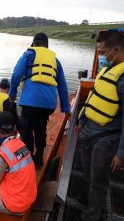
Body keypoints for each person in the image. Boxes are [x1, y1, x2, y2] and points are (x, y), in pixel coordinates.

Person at [77, 30, 124, 221]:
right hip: (88, 132)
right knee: (87, 173)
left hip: (106, 138)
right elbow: (93, 98)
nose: (100, 57)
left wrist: (120, 153)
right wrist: (83, 121)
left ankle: (91, 216)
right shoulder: (106, 71)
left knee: (98, 180)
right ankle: (90, 201)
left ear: (115, 50)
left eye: (102, 53)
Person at [9, 32, 71, 167]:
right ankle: (39, 158)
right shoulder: (55, 61)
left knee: (26, 129)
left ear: (34, 44)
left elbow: (16, 75)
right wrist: (66, 108)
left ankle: (28, 156)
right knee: (40, 127)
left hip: (30, 102)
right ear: (47, 45)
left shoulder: (28, 55)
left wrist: (12, 93)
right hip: (48, 104)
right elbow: (63, 87)